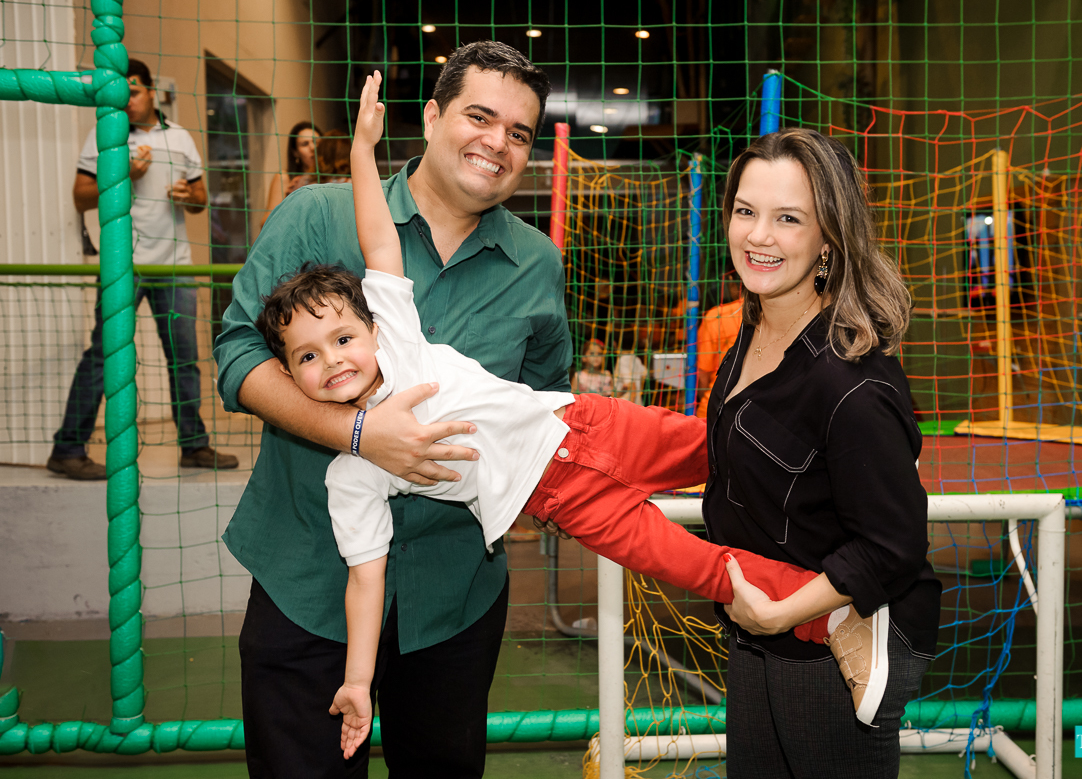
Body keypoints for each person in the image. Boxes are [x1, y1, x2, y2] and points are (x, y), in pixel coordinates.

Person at [259, 73, 854, 758]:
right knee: (701, 566)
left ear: (368, 326)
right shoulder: (351, 475)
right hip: (563, 502)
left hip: (583, 425)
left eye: (341, 338)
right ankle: (837, 614)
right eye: (307, 357)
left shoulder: (396, 334)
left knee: (727, 444)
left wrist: (363, 149)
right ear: (293, 378)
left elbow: (378, 240)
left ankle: (845, 455)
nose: (333, 360)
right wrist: (358, 681)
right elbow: (366, 578)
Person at [213, 42, 570, 779]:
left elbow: (543, 400)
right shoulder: (318, 215)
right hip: (308, 578)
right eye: (479, 116)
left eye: (519, 132)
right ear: (432, 117)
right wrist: (357, 433)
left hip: (455, 593)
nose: (497, 142)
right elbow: (238, 354)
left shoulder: (537, 263)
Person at [708, 129, 941, 777]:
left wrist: (782, 612)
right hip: (758, 626)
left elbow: (893, 547)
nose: (758, 235)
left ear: (828, 239)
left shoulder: (852, 382)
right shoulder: (754, 331)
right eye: (746, 211)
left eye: (788, 218)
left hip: (832, 640)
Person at [47, 57, 238, 481]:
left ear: (152, 92)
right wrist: (122, 175)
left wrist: (188, 194)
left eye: (132, 92)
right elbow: (80, 197)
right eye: (120, 94)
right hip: (122, 267)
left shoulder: (182, 138)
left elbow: (201, 199)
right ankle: (67, 449)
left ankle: (194, 446)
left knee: (184, 360)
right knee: (103, 354)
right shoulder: (105, 134)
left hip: (175, 267)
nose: (126, 100)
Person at [695, 271, 743, 416]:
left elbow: (702, 375)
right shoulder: (777, 316)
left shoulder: (717, 316)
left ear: (731, 281)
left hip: (715, 408)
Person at [261, 121, 321, 226]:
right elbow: (266, 224)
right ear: (295, 152)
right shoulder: (285, 178)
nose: (313, 148)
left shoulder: (336, 178)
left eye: (317, 142)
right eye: (305, 144)